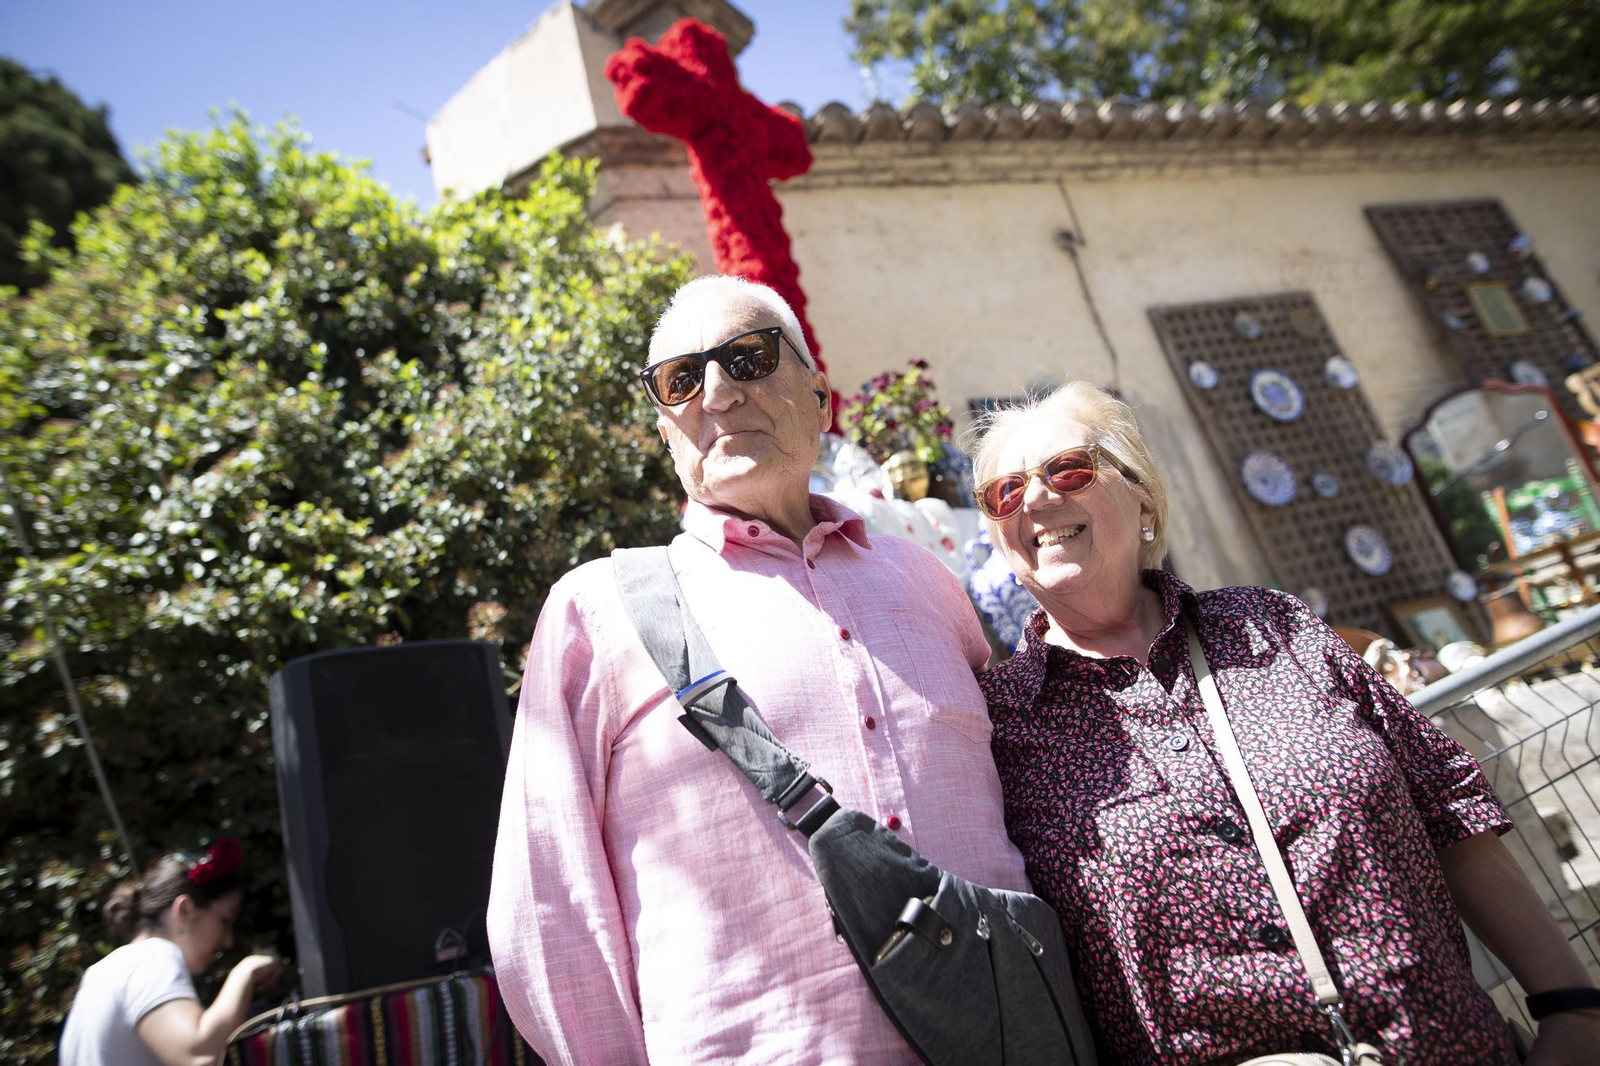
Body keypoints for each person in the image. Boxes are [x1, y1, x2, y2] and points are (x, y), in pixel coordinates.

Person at [968, 382, 1600, 1065]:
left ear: (1143, 500)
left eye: (1068, 469)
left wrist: (1572, 1007)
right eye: (1005, 492)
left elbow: (1445, 804)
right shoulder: (997, 723)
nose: (1033, 498)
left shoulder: (1271, 626)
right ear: (1001, 537)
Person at [487, 274, 1030, 1065]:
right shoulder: (596, 613)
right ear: (666, 433)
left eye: (747, 357)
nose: (716, 391)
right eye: (682, 380)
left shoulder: (928, 579)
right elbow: (548, 910)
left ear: (822, 401)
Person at [59, 839, 281, 1066]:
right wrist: (245, 971)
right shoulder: (154, 956)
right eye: (225, 920)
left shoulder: (100, 974)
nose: (228, 941)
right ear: (185, 910)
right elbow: (199, 1056)